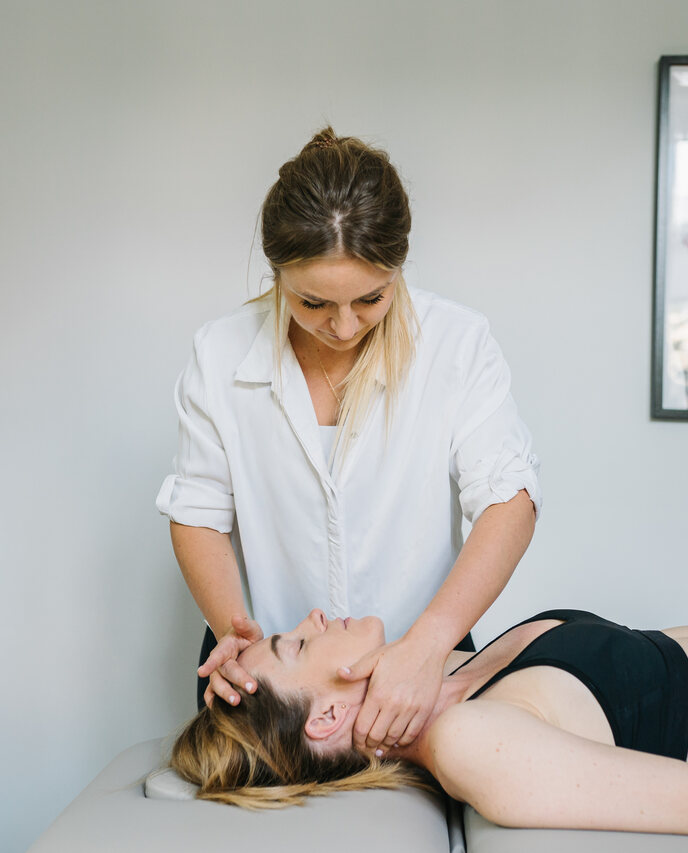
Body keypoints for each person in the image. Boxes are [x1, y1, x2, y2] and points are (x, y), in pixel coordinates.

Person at [157, 128, 540, 753]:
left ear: (399, 268)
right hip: (277, 704)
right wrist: (236, 634)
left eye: (370, 299)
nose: (342, 326)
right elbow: (197, 511)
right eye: (312, 302)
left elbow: (509, 500)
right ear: (276, 273)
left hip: (424, 666)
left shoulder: (456, 345)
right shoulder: (220, 351)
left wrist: (428, 645)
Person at [168, 608, 688, 851]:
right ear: (326, 715)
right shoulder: (470, 741)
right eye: (298, 643)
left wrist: (237, 655)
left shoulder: (439, 676)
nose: (314, 617)